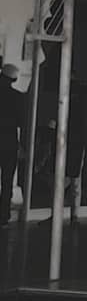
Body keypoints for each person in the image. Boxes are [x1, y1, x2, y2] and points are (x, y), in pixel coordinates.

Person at [0, 62, 24, 227]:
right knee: (7, 180)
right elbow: (22, 121)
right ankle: (3, 214)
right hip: (9, 141)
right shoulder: (17, 97)